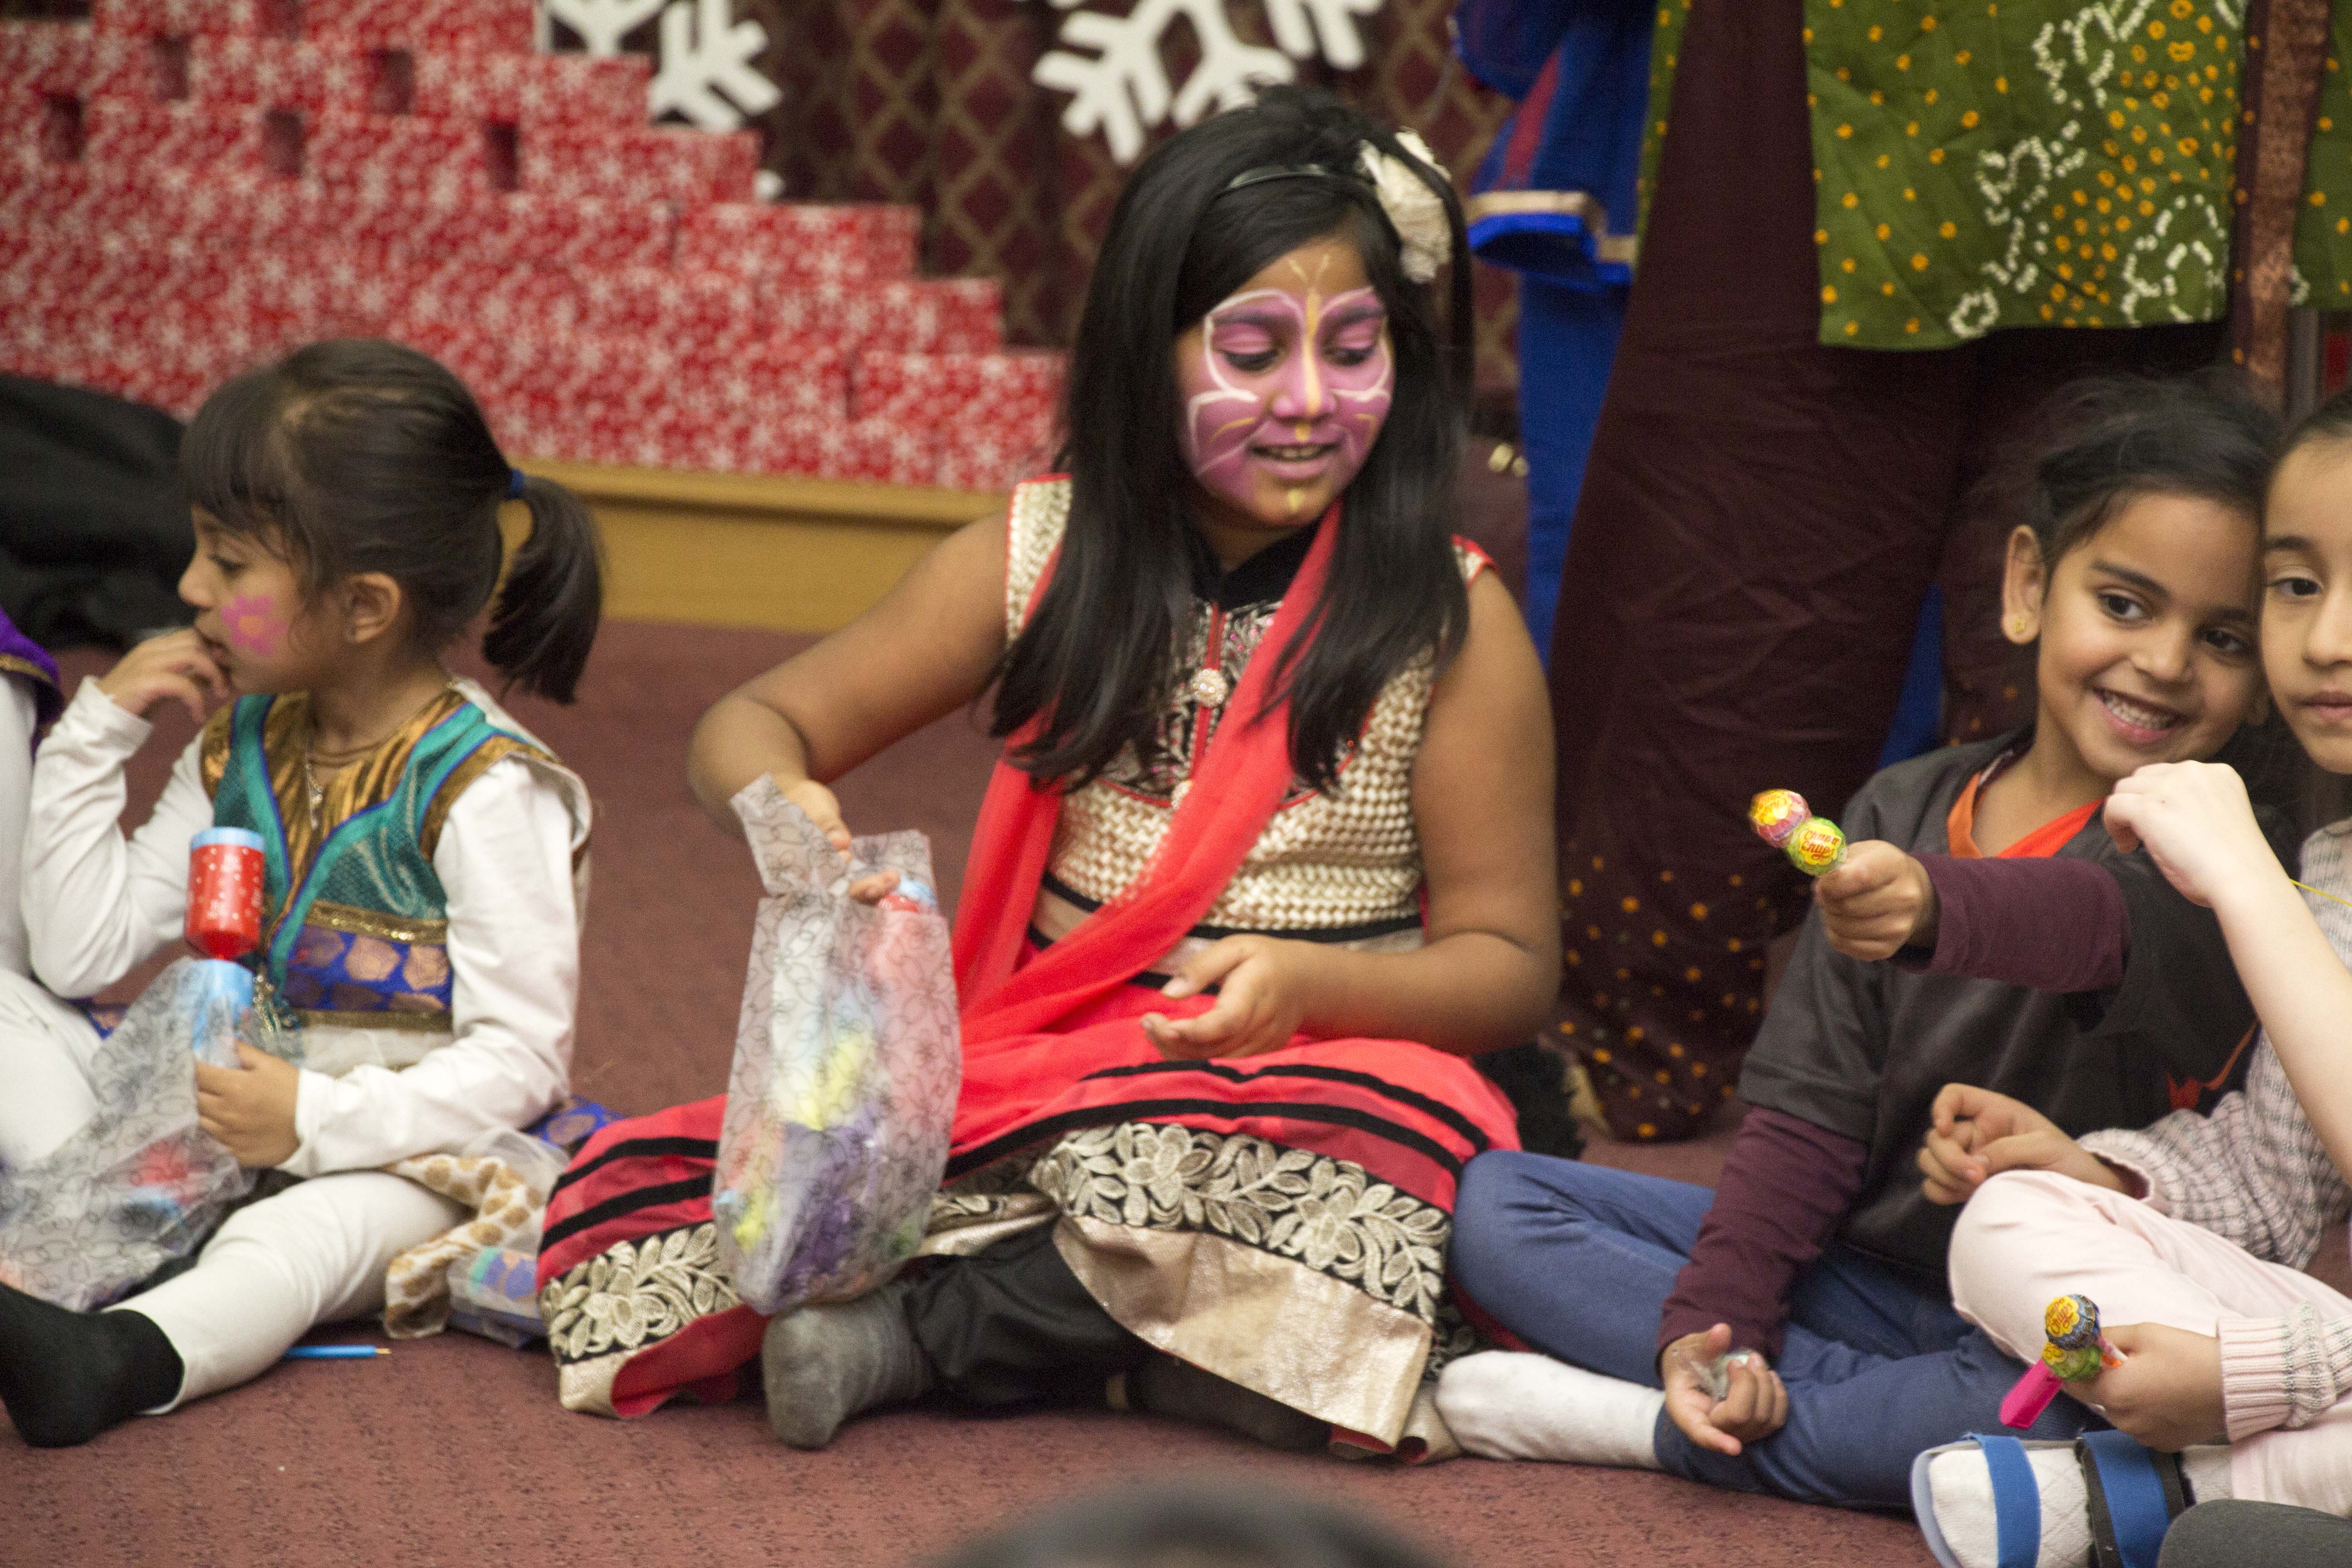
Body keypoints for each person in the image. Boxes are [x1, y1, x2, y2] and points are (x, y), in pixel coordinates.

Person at [537, 87, 1557, 1458]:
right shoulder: (1041, 555)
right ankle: (1172, 1356)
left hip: (1331, 1063)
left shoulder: (1449, 614)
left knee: (1375, 1164)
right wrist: (791, 812)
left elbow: (1507, 964)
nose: (1311, 400)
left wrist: (1310, 989)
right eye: (1252, 350)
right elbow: (752, 722)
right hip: (1061, 1060)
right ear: (1150, 355)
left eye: (1355, 349)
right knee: (653, 1212)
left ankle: (915, 1340)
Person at [1435, 376, 2293, 1507]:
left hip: (2065, 1324)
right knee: (1496, 1208)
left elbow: (2095, 926)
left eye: (2223, 636)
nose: (2167, 662)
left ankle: (1653, 1430)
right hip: (1866, 1281)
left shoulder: (2226, 850)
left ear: (2270, 672)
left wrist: (1938, 906)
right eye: (2126, 605)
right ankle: (1767, 1401)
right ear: (2030, 584)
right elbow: (1809, 1121)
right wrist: (1714, 1330)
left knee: (2021, 1403)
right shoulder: (1900, 808)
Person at [0, 339, 599, 1447]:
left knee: (299, 1244)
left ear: (365, 604)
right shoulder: (240, 746)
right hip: (213, 1116)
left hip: (408, 1149)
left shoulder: (483, 788)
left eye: (230, 565)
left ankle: (117, 1358)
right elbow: (82, 955)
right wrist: (98, 730)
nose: (188, 588)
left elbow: (520, 1060)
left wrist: (313, 1120)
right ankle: (85, 1245)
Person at [1911, 391, 2352, 1565]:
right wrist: (2099, 1169)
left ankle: (2135, 1494)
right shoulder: (2337, 861)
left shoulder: (2278, 873)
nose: (2325, 640)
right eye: (2299, 585)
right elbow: (2280, 1181)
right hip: (2332, 1362)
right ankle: (2177, 1483)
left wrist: (2256, 1376)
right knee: (2008, 1219)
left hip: (2321, 1378)